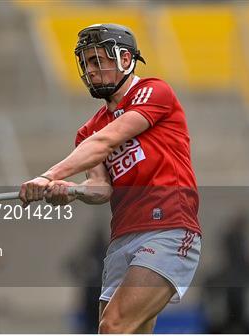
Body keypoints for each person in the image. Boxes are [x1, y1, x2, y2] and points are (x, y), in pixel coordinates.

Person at [19, 23, 202, 333]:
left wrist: (48, 175)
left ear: (126, 59)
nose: (90, 71)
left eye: (97, 61)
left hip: (167, 228)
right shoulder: (88, 130)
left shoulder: (153, 91)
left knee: (113, 325)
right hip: (122, 237)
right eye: (86, 63)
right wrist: (72, 191)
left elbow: (105, 142)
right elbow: (101, 188)